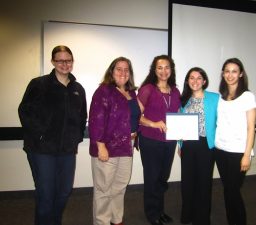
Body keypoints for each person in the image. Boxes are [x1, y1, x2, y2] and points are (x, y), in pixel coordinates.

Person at [18, 45, 87, 225]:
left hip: (67, 150)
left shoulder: (78, 88)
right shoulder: (39, 84)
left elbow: (82, 117)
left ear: (72, 62)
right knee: (46, 194)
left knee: (64, 192)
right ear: (53, 62)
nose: (65, 64)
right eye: (60, 60)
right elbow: (24, 111)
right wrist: (40, 134)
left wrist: (75, 138)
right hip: (41, 150)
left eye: (68, 60)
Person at [88, 57, 141, 225]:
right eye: (119, 69)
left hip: (126, 146)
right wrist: (100, 146)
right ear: (112, 71)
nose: (123, 73)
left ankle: (116, 219)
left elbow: (133, 117)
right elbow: (96, 120)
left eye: (126, 70)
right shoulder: (104, 91)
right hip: (107, 147)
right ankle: (102, 221)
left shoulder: (131, 93)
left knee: (119, 186)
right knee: (103, 189)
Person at [137, 55, 181, 225]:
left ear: (171, 69)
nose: (164, 71)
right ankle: (152, 214)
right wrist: (154, 123)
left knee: (163, 178)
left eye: (167, 67)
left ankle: (160, 211)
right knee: (152, 178)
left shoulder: (175, 91)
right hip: (150, 141)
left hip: (169, 142)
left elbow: (178, 114)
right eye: (160, 67)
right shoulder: (147, 89)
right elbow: (136, 116)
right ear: (154, 70)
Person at [215, 58, 256, 225]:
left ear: (240, 74)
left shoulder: (248, 96)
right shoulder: (221, 97)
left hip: (238, 152)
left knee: (232, 191)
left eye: (234, 71)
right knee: (228, 190)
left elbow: (251, 127)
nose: (230, 75)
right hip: (220, 149)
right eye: (227, 71)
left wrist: (247, 155)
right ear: (222, 74)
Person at [179, 67, 219, 225]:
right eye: (191, 78)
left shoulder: (214, 98)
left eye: (198, 78)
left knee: (204, 182)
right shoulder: (184, 99)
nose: (195, 81)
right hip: (188, 145)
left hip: (206, 145)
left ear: (204, 81)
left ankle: (202, 218)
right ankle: (187, 215)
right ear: (187, 81)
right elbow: (180, 125)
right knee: (187, 181)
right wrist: (180, 144)